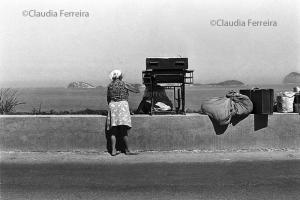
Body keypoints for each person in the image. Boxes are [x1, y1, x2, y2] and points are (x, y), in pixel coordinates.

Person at [106, 69, 139, 156]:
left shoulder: (110, 85)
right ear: (120, 76)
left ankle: (113, 150)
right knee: (124, 129)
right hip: (122, 106)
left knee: (113, 130)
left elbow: (108, 99)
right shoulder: (124, 83)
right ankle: (128, 150)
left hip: (112, 105)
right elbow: (137, 90)